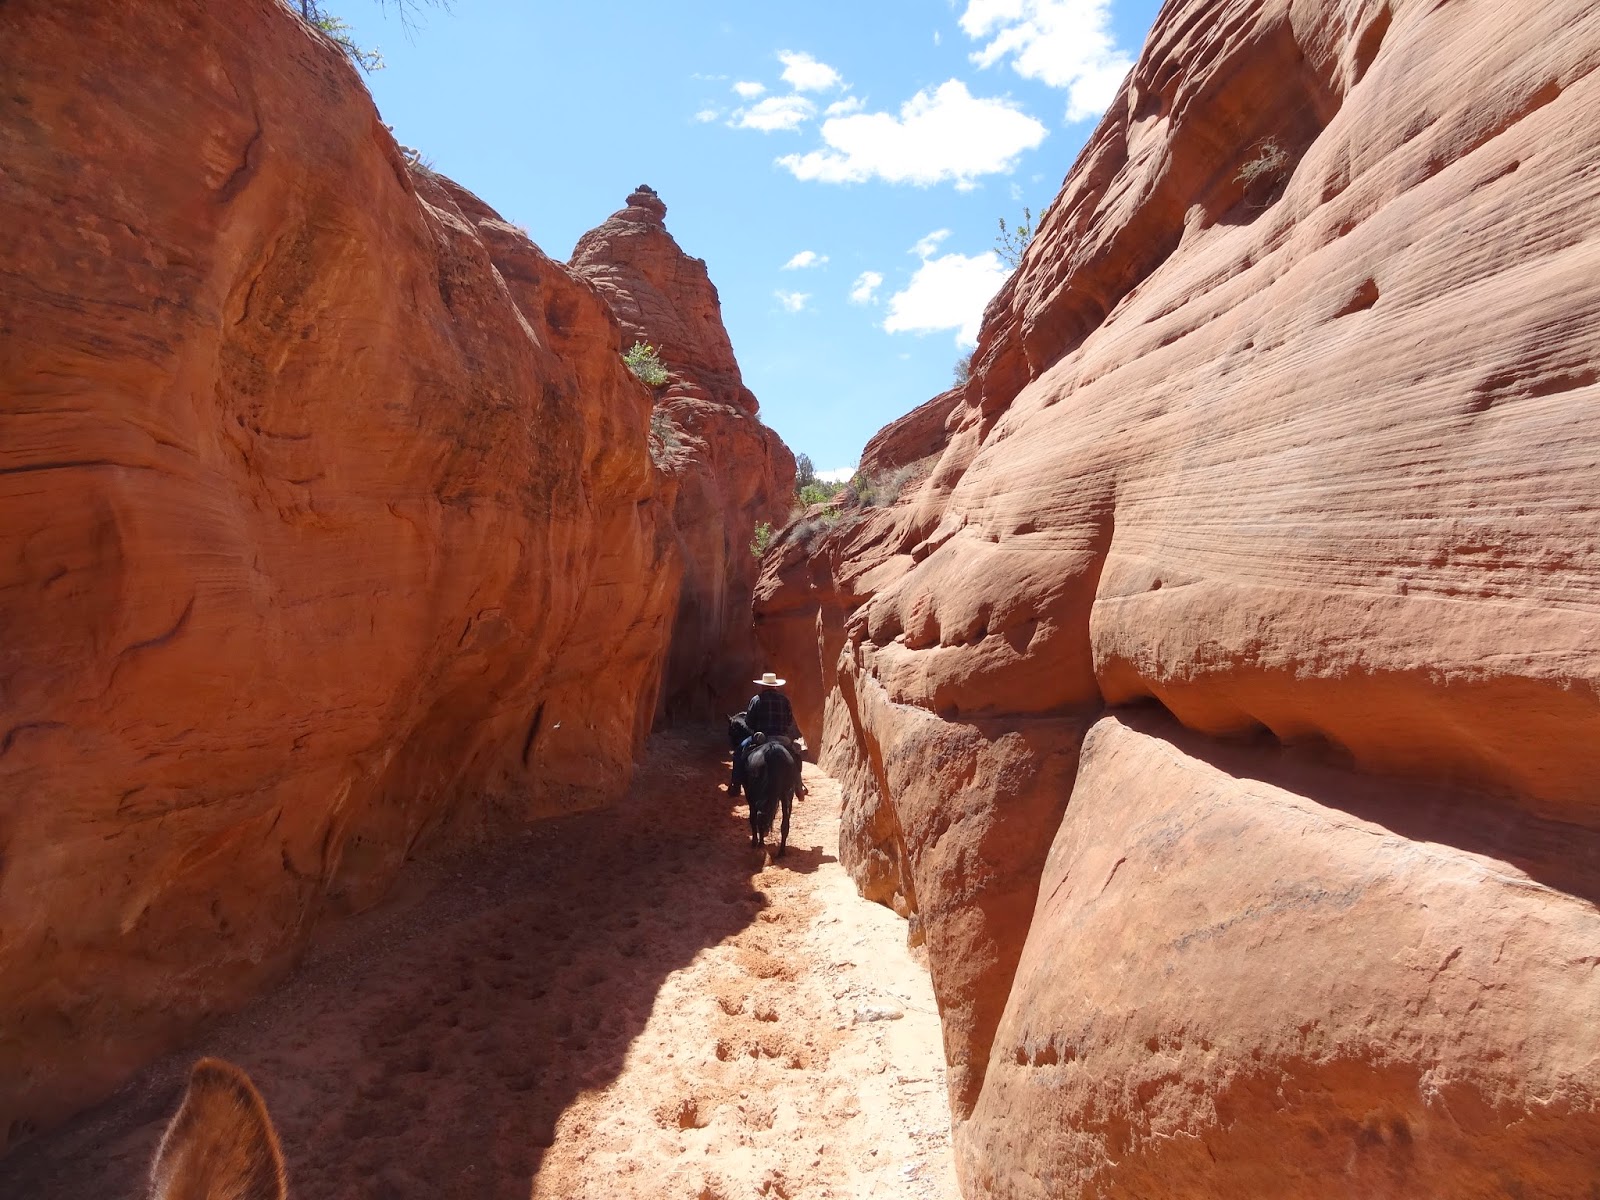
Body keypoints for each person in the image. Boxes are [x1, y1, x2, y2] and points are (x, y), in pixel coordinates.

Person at [730, 671, 806, 798]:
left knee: (739, 752)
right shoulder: (784, 700)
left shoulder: (756, 699)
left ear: (763, 686)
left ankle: (736, 785)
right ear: (776, 686)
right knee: (796, 755)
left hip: (762, 737)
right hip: (782, 738)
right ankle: (799, 786)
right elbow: (789, 721)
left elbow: (749, 721)